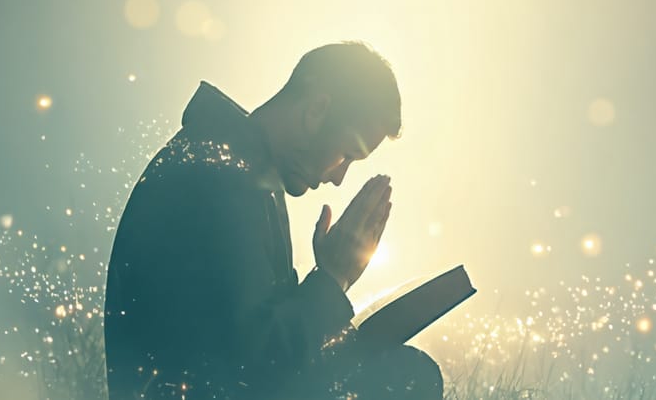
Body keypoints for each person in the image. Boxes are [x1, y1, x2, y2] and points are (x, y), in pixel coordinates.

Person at [103, 42, 443, 400]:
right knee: (407, 377)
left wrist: (327, 280)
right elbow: (254, 366)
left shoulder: (230, 165)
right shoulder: (223, 177)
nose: (339, 177)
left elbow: (240, 337)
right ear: (317, 109)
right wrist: (332, 279)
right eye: (346, 155)